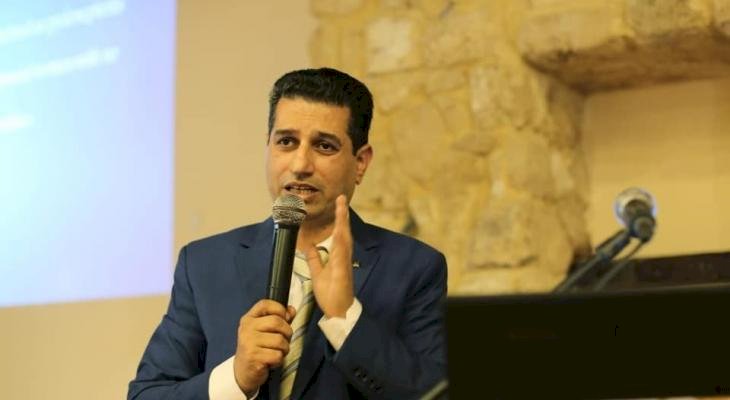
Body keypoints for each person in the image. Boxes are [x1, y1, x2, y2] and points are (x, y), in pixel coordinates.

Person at [128, 68, 447, 399]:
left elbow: (435, 395)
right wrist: (236, 378)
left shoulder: (414, 268)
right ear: (268, 146)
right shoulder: (204, 263)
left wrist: (345, 320)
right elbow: (147, 394)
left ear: (360, 162)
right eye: (286, 142)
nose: (300, 165)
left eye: (324, 146)